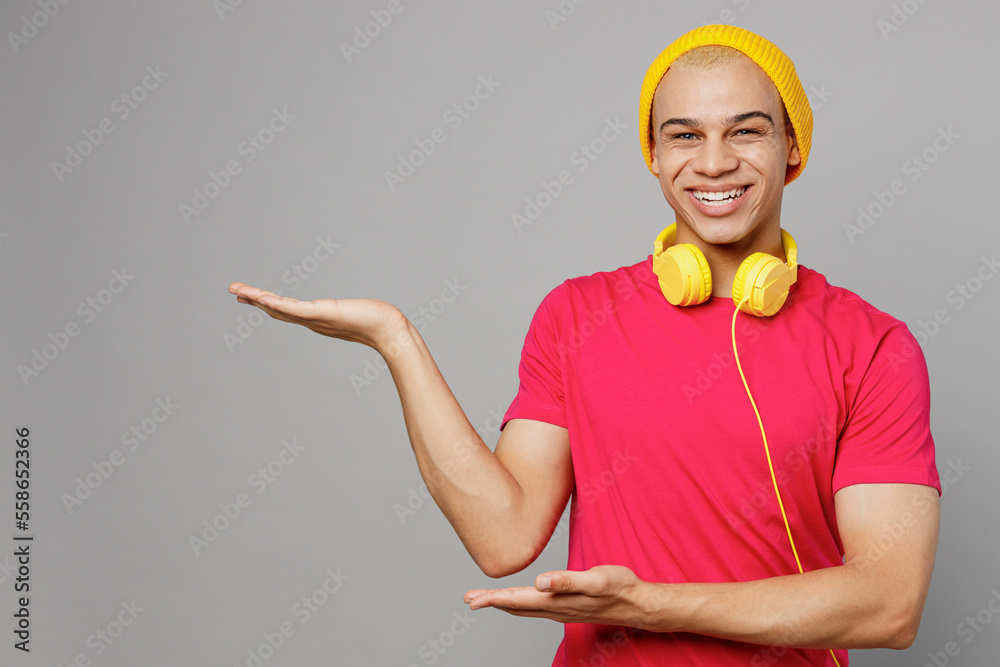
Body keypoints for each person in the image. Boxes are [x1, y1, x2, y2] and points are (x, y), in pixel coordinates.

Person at [229, 24, 940, 666]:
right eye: (684, 135)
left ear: (793, 148)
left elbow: (890, 601)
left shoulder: (874, 346)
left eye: (746, 131)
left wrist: (648, 604)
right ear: (654, 156)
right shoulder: (577, 315)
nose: (714, 162)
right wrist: (396, 339)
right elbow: (502, 534)